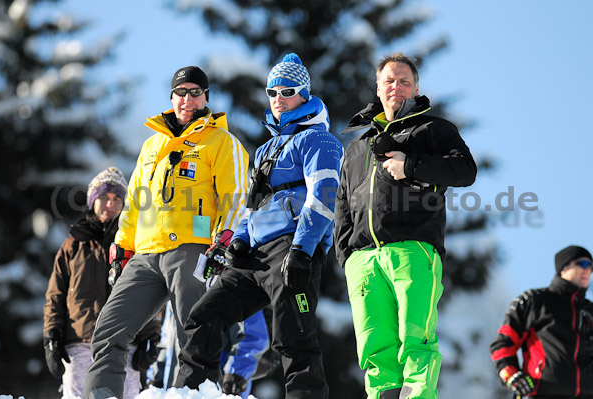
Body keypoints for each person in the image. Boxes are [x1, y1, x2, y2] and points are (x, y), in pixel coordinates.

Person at [175, 53, 344, 399]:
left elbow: (324, 195)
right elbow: (251, 205)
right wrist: (237, 239)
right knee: (203, 316)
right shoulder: (266, 148)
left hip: (291, 248)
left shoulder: (319, 140)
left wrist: (303, 250)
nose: (278, 99)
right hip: (253, 253)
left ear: (305, 94)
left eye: (287, 91)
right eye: (272, 92)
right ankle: (192, 393)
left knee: (293, 336)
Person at [82, 66, 249, 399]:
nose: (187, 99)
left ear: (206, 98)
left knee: (196, 335)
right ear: (171, 97)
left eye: (195, 92)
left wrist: (222, 243)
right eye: (181, 92)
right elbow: (133, 204)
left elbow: (236, 196)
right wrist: (121, 249)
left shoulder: (221, 141)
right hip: (145, 255)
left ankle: (192, 394)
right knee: (108, 330)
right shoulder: (151, 144)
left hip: (193, 249)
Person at [333, 52, 477, 399]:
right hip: (364, 260)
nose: (396, 86)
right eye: (389, 81)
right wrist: (347, 255)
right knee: (374, 347)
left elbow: (465, 171)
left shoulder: (432, 130)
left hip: (412, 249)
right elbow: (342, 201)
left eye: (404, 81)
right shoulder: (357, 147)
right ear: (378, 88)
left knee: (417, 338)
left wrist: (410, 164)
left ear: (415, 88)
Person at [43, 167, 161, 399]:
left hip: (125, 343)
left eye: (117, 199)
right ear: (92, 200)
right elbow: (55, 296)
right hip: (78, 344)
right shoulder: (72, 246)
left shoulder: (136, 245)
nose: (110, 204)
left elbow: (149, 293)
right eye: (104, 197)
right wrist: (51, 336)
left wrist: (151, 336)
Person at [490, 245, 593, 398]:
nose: (587, 270)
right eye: (582, 264)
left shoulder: (589, 311)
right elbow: (504, 343)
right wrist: (511, 376)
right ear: (563, 268)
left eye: (590, 266)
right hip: (542, 393)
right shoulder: (535, 301)